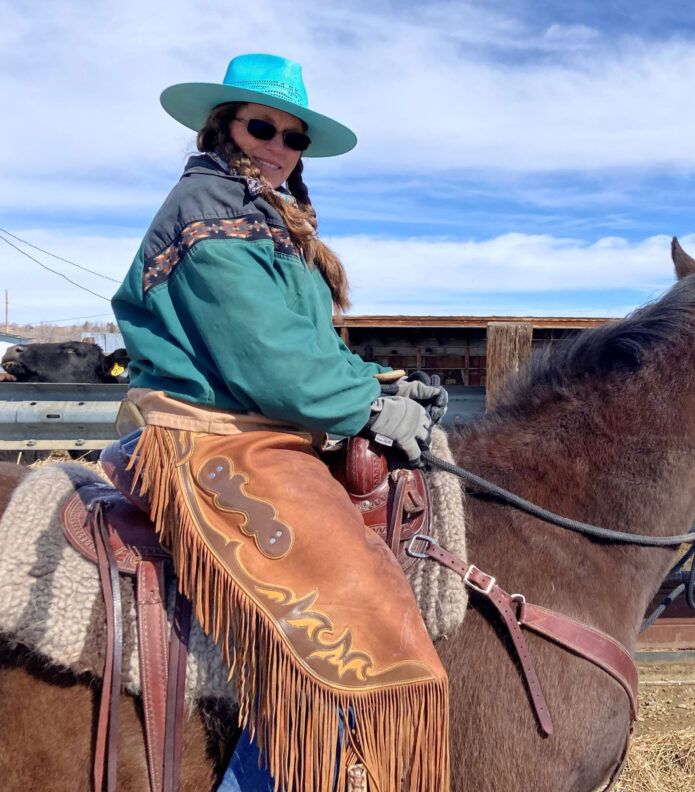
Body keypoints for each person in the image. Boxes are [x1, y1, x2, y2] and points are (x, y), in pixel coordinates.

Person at [112, 53, 450, 792]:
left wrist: (380, 382)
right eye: (261, 126)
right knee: (345, 621)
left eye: (292, 138)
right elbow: (273, 363)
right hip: (216, 438)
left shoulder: (265, 218)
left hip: (259, 428)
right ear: (222, 128)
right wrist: (366, 405)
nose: (277, 146)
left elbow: (309, 348)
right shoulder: (208, 211)